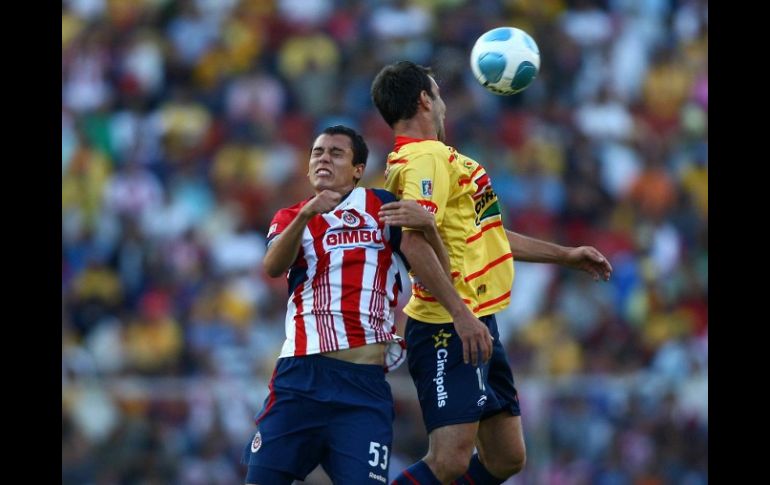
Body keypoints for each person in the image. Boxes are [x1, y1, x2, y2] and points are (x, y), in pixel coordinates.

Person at [371, 61, 614, 484]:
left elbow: (489, 235)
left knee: (506, 457)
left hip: (480, 319)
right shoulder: (424, 159)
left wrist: (566, 255)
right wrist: (462, 316)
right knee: (449, 461)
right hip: (448, 325)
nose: (444, 105)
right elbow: (413, 242)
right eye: (438, 94)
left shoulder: (445, 160)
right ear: (425, 100)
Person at [241, 124, 445, 485]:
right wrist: (308, 215)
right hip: (301, 377)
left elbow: (433, 268)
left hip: (362, 386)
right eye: (317, 153)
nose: (324, 158)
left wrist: (428, 229)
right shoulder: (290, 217)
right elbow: (273, 266)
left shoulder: (382, 206)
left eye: (336, 153)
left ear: (357, 169)